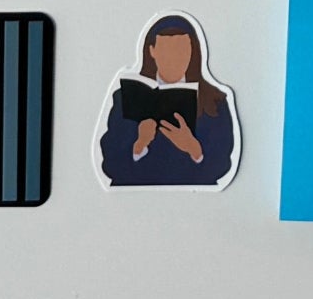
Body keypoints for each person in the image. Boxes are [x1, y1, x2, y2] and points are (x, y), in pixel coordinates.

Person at [94, 14, 238, 189]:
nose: (175, 58)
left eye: (182, 50)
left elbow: (222, 165)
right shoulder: (125, 97)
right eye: (167, 50)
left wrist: (194, 148)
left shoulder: (215, 101)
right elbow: (110, 164)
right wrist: (139, 145)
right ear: (152, 51)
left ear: (193, 51)